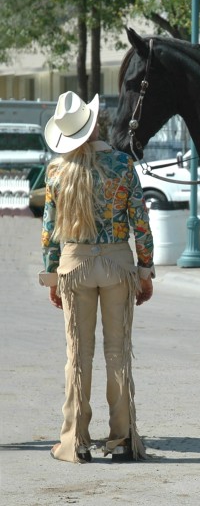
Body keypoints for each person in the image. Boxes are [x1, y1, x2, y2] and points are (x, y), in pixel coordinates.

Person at [39, 91, 155, 463]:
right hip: (119, 265)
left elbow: (48, 231)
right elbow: (140, 222)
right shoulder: (123, 165)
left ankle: (75, 442)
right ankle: (122, 440)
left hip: (75, 266)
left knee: (78, 354)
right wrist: (145, 269)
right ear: (95, 124)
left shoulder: (57, 170)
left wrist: (53, 275)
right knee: (118, 353)